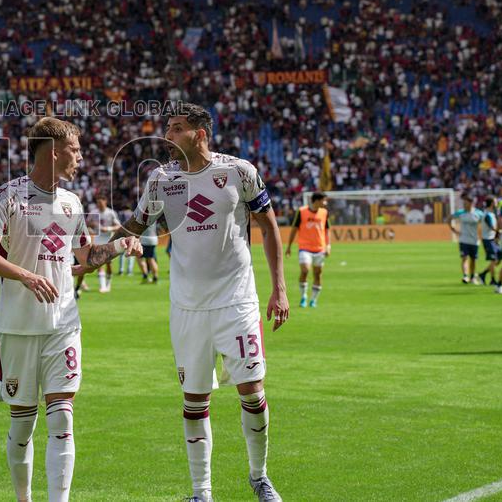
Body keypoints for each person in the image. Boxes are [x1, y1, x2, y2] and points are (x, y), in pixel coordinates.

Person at [111, 103, 288, 502]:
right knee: (193, 399)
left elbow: (270, 229)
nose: (167, 136)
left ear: (200, 134)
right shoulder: (160, 179)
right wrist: (97, 252)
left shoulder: (238, 172)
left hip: (236, 303)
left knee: (252, 392)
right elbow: (135, 225)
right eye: (167, 128)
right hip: (187, 307)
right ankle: (201, 492)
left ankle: (259, 477)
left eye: (176, 129)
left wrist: (279, 288)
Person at [0, 117, 141, 502]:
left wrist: (119, 245)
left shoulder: (72, 202)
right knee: (22, 426)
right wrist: (26, 276)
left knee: (63, 417)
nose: (80, 157)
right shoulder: (7, 197)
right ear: (53, 150)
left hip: (63, 324)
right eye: (75, 149)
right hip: (16, 326)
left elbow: (86, 256)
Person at [284, 192, 331, 308]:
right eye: (324, 200)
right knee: (305, 270)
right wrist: (289, 247)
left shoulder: (324, 213)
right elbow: (294, 229)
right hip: (305, 248)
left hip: (320, 248)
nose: (325, 203)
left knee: (318, 274)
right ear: (317, 200)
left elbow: (327, 230)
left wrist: (328, 245)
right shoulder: (302, 211)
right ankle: (303, 297)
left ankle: (313, 300)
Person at [89, 196, 120, 293]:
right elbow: (86, 223)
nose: (99, 204)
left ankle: (108, 283)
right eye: (97, 202)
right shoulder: (93, 212)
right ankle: (102, 286)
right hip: (98, 240)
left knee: (109, 264)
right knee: (99, 263)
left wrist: (108, 229)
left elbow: (118, 226)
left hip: (109, 240)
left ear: (105, 201)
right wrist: (91, 225)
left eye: (100, 202)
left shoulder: (110, 213)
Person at [450, 194, 483, 285]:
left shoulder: (478, 213)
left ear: (471, 203)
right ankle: (465, 276)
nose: (464, 204)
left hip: (474, 240)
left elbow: (484, 223)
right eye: (464, 202)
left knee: (473, 259)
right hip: (463, 239)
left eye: (466, 203)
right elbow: (450, 218)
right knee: (464, 258)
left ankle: (472, 277)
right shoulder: (460, 212)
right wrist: (453, 229)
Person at [477, 197, 502, 287]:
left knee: (499, 258)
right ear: (492, 203)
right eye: (495, 202)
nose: (497, 203)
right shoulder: (487, 215)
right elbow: (492, 227)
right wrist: (500, 231)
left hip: (493, 240)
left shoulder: (492, 214)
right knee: (493, 260)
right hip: (488, 240)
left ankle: (483, 274)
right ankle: (492, 280)